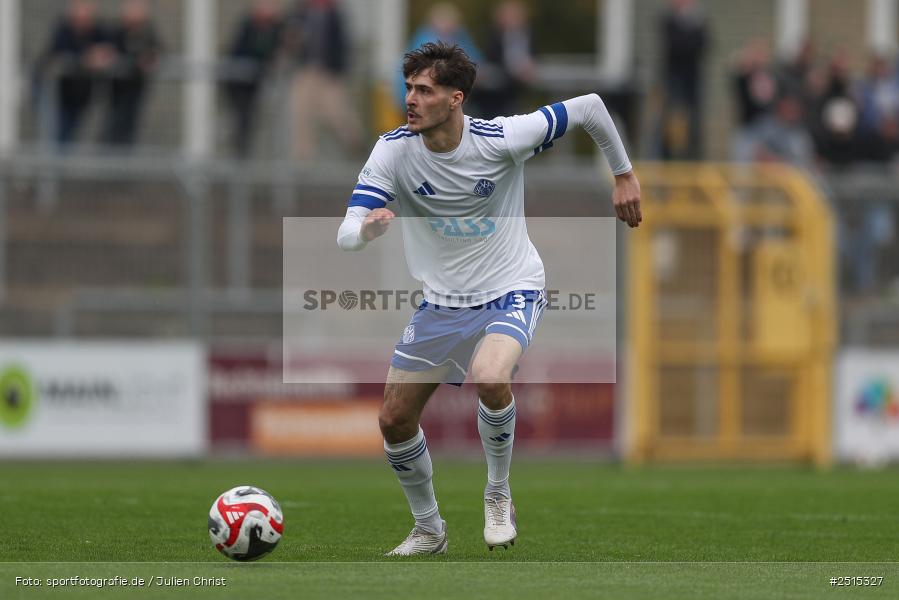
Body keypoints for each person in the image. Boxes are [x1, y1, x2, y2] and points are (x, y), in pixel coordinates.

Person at [336, 43, 641, 556]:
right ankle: (429, 529)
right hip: (441, 303)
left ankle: (498, 493)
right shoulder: (392, 149)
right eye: (408, 88)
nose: (410, 99)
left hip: (511, 288)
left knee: (491, 375)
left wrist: (624, 173)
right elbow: (346, 231)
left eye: (423, 90)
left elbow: (590, 106)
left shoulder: (501, 138)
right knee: (393, 420)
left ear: (455, 98)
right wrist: (364, 231)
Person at [286, 0, 361, 161]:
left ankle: (356, 147)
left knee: (337, 114)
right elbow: (289, 43)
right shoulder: (300, 13)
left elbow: (343, 46)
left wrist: (338, 69)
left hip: (329, 73)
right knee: (301, 114)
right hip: (305, 70)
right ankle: (303, 160)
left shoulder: (335, 15)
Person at [36, 0, 113, 146]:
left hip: (80, 95)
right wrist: (86, 59)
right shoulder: (62, 31)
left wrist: (104, 55)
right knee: (58, 134)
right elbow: (57, 56)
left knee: (70, 135)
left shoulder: (98, 31)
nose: (83, 19)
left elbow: (108, 48)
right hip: (59, 95)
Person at [224, 0, 284, 157]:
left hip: (255, 84)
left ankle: (244, 155)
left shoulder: (276, 27)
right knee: (242, 121)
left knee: (250, 121)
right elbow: (241, 52)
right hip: (238, 84)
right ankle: (240, 155)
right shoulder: (248, 25)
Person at [103, 0, 162, 147]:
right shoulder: (117, 32)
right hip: (116, 90)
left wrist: (150, 57)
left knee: (129, 128)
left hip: (136, 89)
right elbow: (109, 52)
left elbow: (158, 51)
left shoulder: (149, 33)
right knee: (113, 128)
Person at [658, 0, 708, 159]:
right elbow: (676, 46)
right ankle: (666, 157)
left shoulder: (699, 23)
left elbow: (703, 45)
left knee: (694, 120)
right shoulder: (669, 22)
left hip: (692, 80)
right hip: (673, 79)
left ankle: (693, 158)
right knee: (669, 119)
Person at [473, 0, 536, 118]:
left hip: (515, 91)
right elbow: (490, 59)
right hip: (494, 90)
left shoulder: (528, 35)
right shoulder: (494, 35)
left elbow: (532, 56)